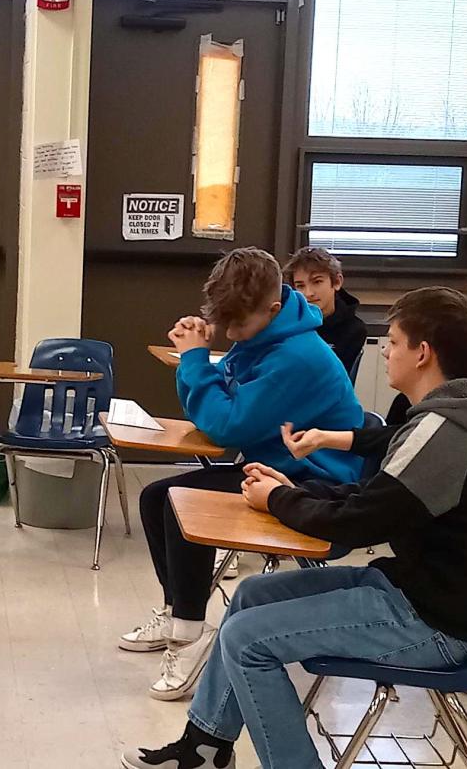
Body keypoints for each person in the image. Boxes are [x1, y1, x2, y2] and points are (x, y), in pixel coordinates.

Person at [122, 287, 467, 769]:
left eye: (393, 342)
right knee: (252, 595)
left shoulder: (447, 432)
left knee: (246, 640)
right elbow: (374, 498)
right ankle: (204, 749)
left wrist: (279, 498)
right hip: (413, 589)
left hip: (435, 622)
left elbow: (356, 525)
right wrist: (289, 492)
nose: (387, 351)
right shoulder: (449, 417)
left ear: (423, 354)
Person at [279, 329, 467, 703]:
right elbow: (415, 437)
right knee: (449, 513)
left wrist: (290, 497)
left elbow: (430, 454)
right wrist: (332, 438)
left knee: (464, 525)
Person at [118, 247, 364, 702]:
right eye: (225, 325)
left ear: (272, 309)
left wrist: (194, 360)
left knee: (181, 504)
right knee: (157, 496)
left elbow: (226, 426)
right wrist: (204, 353)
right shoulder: (264, 336)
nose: (231, 334)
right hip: (270, 468)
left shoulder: (298, 356)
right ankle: (178, 612)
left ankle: (191, 635)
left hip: (314, 483)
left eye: (239, 326)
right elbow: (226, 393)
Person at [283, 246, 368, 376]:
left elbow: (335, 379)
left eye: (317, 282)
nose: (308, 293)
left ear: (337, 282)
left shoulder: (353, 329)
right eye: (300, 286)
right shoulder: (287, 324)